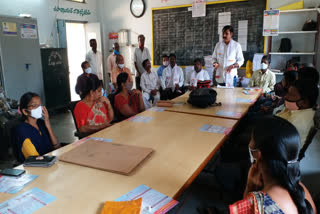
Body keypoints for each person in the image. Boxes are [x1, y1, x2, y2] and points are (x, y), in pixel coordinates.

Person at [229, 116, 317, 214]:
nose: (250, 143)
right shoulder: (301, 191)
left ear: (258, 154)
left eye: (252, 139)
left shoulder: (256, 204)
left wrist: (249, 187)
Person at [14, 92, 60, 162]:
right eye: (34, 105)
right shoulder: (22, 130)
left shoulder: (41, 123)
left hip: (50, 161)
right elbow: (35, 160)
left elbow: (57, 146)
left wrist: (48, 124)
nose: (38, 108)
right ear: (25, 111)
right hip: (37, 166)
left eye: (39, 105)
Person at [277, 78, 318, 145]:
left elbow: (277, 143)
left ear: (304, 102)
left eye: (291, 95)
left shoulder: (294, 123)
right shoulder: (298, 109)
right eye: (287, 93)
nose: (285, 96)